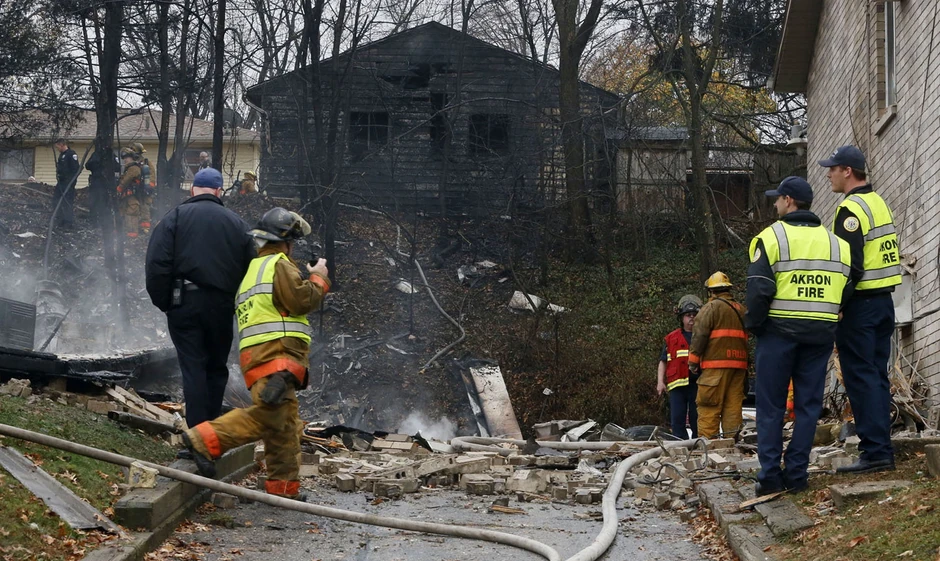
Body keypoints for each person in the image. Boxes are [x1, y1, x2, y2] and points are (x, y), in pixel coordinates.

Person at [181, 208, 330, 501]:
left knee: (284, 425)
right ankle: (203, 439)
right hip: (278, 356)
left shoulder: (251, 271)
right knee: (269, 418)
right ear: (285, 242)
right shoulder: (279, 265)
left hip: (259, 358)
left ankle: (283, 490)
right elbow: (301, 301)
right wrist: (318, 278)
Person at [745, 176, 852, 495]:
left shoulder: (771, 237)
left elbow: (759, 289)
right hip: (819, 334)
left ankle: (769, 475)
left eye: (777, 199)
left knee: (771, 406)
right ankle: (796, 474)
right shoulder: (837, 244)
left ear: (789, 201)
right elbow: (847, 287)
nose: (775, 203)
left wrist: (756, 326)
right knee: (807, 406)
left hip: (778, 332)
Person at [145, 168, 256, 436]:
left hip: (185, 303)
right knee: (216, 368)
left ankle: (197, 437)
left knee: (193, 367)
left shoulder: (174, 218)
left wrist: (165, 303)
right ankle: (212, 436)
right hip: (222, 307)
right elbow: (251, 270)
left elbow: (157, 264)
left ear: (193, 189)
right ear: (218, 192)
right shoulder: (238, 225)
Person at [821, 145, 902, 474]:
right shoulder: (878, 203)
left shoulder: (850, 210)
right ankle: (881, 448)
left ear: (848, 171)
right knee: (876, 377)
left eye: (833, 168)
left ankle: (876, 452)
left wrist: (838, 305)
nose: (829, 174)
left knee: (861, 378)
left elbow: (849, 266)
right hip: (883, 303)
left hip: (860, 307)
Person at [689, 272, 748, 439]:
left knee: (709, 407)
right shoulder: (741, 310)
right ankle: (732, 443)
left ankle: (710, 446)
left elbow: (699, 336)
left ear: (711, 291)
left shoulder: (710, 308)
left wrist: (693, 362)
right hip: (738, 367)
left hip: (715, 367)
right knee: (733, 408)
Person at [658, 295, 702, 440]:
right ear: (681, 318)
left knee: (698, 419)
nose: (691, 318)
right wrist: (660, 382)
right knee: (677, 420)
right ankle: (680, 444)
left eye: (694, 315)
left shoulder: (703, 336)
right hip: (677, 386)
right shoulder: (671, 338)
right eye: (688, 315)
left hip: (697, 384)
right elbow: (663, 361)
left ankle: (697, 444)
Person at [117, 147, 143, 239]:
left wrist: (120, 187)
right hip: (126, 196)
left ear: (132, 157)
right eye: (124, 158)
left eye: (127, 158)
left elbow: (128, 179)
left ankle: (132, 233)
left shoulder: (134, 168)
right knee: (122, 211)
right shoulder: (128, 168)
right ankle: (124, 232)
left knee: (132, 213)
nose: (125, 160)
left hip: (133, 196)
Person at [52, 139, 79, 229]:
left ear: (62, 145)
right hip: (61, 182)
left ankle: (68, 222)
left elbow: (75, 169)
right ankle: (60, 221)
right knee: (56, 200)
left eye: (58, 147)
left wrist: (71, 182)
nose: (57, 149)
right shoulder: (61, 155)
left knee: (67, 202)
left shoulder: (71, 154)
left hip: (68, 183)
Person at [131, 142, 154, 234]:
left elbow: (152, 175)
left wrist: (148, 187)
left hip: (144, 190)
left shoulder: (147, 163)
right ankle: (134, 227)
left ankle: (145, 228)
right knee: (134, 208)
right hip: (134, 190)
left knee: (145, 208)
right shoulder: (131, 164)